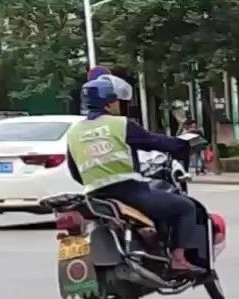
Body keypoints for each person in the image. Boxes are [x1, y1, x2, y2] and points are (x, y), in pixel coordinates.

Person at [65, 72, 204, 274]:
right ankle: (178, 258)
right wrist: (183, 143)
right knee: (186, 207)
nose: (121, 105)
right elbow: (155, 142)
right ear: (109, 103)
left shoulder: (74, 132)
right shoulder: (120, 124)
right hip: (129, 193)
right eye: (118, 101)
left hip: (95, 196)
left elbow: (75, 172)